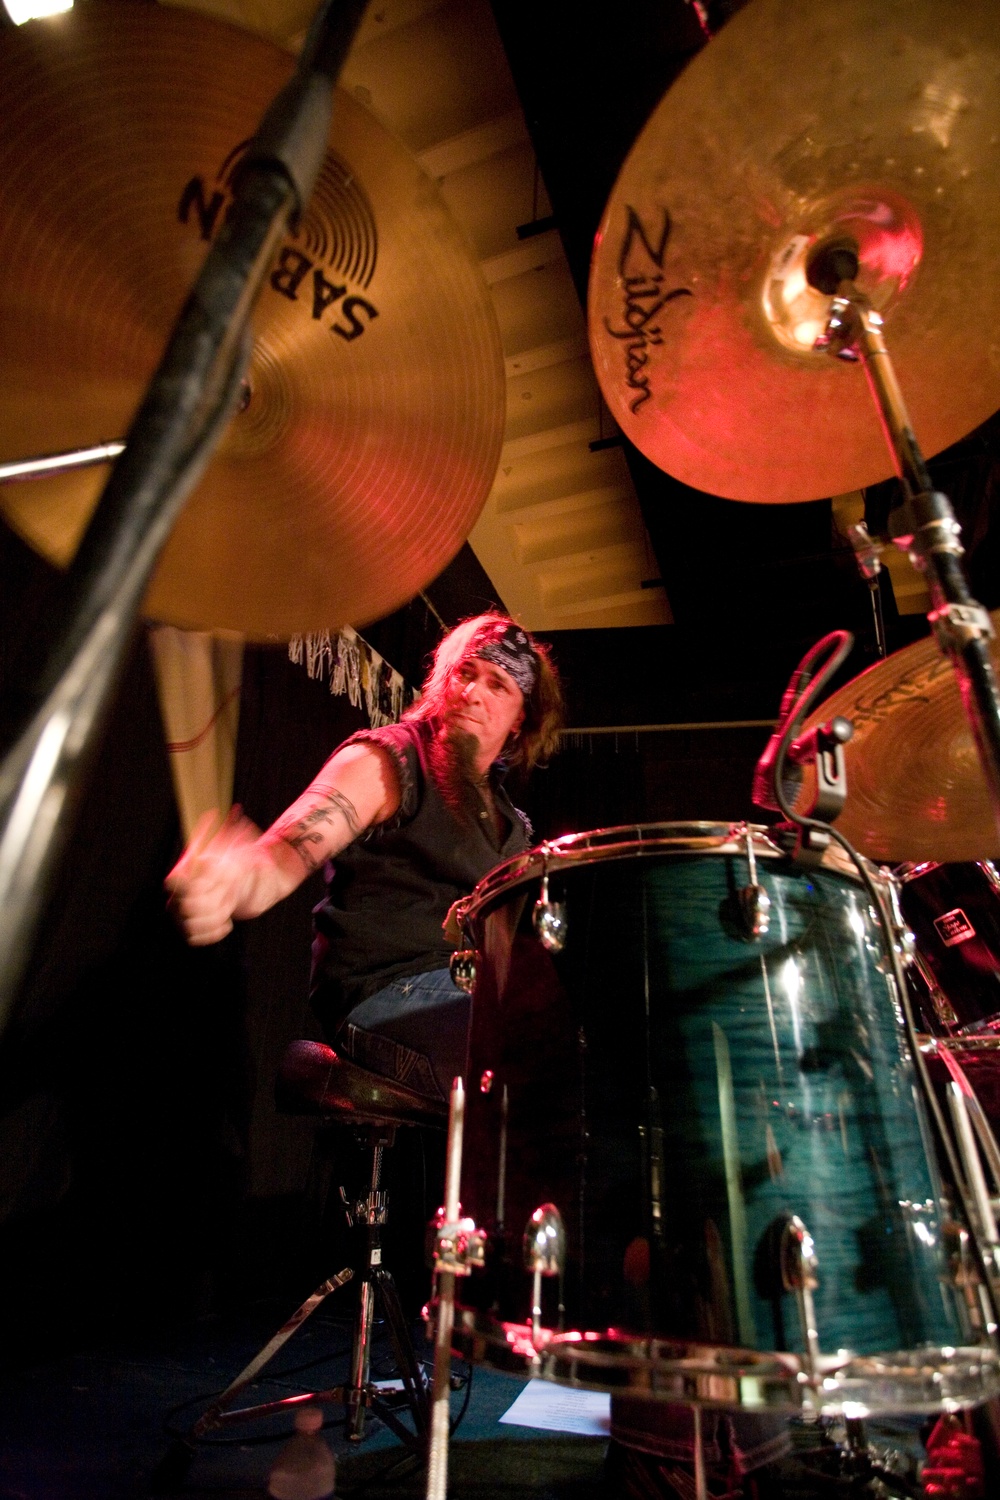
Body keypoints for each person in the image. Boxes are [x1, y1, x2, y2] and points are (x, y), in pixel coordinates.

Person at [166, 613, 563, 1099]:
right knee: (539, 1045)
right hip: (380, 996)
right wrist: (234, 882)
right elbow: (282, 857)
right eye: (465, 672)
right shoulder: (388, 761)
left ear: (521, 715)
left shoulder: (513, 829)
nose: (472, 692)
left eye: (498, 684)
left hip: (462, 996)